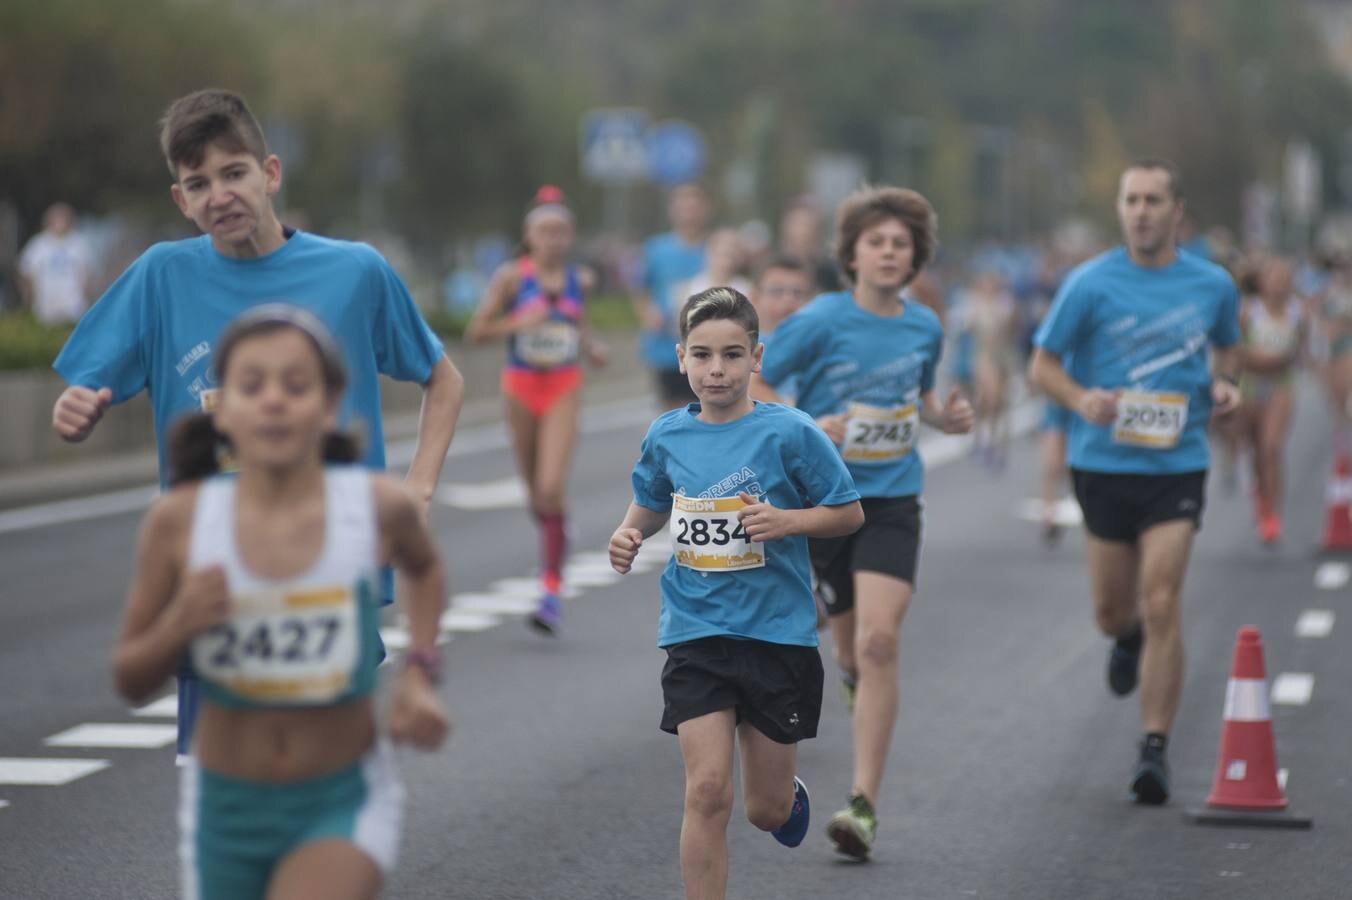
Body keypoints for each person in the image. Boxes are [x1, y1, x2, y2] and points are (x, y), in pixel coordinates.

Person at [50, 88, 464, 759]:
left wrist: (416, 487)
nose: (220, 195)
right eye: (198, 183)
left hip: (334, 573)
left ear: (270, 174)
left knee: (324, 804)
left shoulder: (355, 271)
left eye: (234, 173)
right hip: (215, 580)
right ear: (181, 200)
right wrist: (75, 411)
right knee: (224, 809)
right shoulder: (162, 276)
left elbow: (442, 377)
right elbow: (82, 389)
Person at [113, 306, 450, 900]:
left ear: (328, 404)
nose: (273, 401)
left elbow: (423, 566)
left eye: (296, 386)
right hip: (225, 806)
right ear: (220, 408)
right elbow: (131, 678)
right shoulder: (180, 522)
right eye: (251, 385)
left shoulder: (374, 507)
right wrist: (180, 623)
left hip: (339, 798)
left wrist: (419, 672)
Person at [608, 287, 863, 900]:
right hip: (696, 631)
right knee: (706, 790)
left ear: (756, 358)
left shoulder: (791, 433)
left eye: (730, 355)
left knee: (764, 811)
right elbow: (651, 501)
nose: (715, 369)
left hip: (778, 633)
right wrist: (628, 532)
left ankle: (785, 796)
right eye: (702, 355)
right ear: (680, 358)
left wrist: (788, 521)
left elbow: (848, 512)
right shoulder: (667, 434)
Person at [753, 185, 974, 860]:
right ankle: (852, 681)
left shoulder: (924, 326)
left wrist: (946, 417)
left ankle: (863, 805)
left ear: (915, 258)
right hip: (823, 506)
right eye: (875, 242)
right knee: (847, 653)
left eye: (899, 245)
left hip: (891, 503)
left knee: (879, 644)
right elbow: (757, 382)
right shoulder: (819, 320)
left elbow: (924, 399)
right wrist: (808, 426)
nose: (887, 253)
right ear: (851, 253)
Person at [1029, 158, 1241, 805]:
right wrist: (1080, 396)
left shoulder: (1213, 285)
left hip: (1176, 464)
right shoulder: (1089, 284)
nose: (1141, 211)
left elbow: (1227, 347)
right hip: (1103, 464)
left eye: (1153, 200)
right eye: (1131, 200)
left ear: (1176, 211)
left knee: (1162, 599)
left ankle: (1154, 747)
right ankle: (1125, 639)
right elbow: (1043, 365)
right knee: (1113, 611)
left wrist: (1227, 384)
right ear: (1120, 209)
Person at [466, 186, 607, 633]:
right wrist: (515, 322)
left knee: (550, 486)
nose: (554, 239)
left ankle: (550, 589)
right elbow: (476, 331)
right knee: (535, 496)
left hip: (563, 384)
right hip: (520, 387)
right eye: (545, 231)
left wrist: (592, 347)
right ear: (529, 236)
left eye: (561, 231)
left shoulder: (578, 279)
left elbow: (579, 326)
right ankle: (556, 532)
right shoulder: (511, 277)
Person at [1237, 255, 1305, 544]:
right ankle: (1261, 498)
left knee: (1272, 447)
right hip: (1251, 384)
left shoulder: (1297, 313)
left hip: (1281, 385)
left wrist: (1284, 360)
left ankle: (1273, 514)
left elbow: (1302, 351)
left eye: (1285, 280)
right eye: (1274, 279)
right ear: (1263, 282)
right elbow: (1235, 351)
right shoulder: (1248, 312)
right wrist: (1259, 360)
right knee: (1255, 450)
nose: (1279, 285)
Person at [634, 183, 710, 409]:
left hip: (708, 345)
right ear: (673, 210)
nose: (689, 212)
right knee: (673, 413)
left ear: (706, 210)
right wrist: (648, 314)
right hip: (666, 345)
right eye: (683, 206)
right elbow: (640, 288)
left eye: (695, 206)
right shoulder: (655, 249)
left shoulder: (715, 248)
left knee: (709, 410)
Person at [18, 202, 94, 326]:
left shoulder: (79, 243)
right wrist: (30, 298)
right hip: (46, 305)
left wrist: (86, 297)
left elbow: (87, 273)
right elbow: (26, 271)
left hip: (73, 305)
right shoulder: (39, 243)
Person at [778, 198, 842, 293]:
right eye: (798, 224)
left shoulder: (830, 272)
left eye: (807, 225)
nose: (803, 232)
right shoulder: (775, 269)